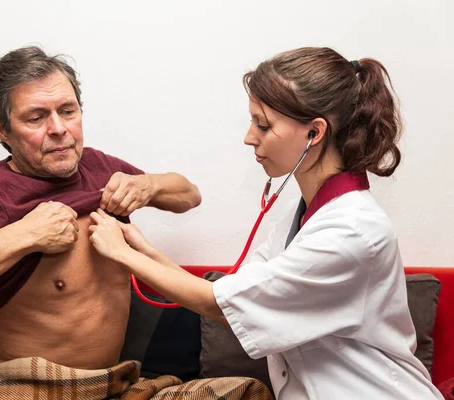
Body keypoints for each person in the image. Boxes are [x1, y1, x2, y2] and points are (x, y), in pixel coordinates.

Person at [88, 47, 444, 399]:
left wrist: (123, 254)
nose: (249, 137)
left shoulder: (353, 232)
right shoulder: (303, 212)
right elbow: (238, 289)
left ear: (314, 133)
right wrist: (142, 247)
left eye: (263, 124)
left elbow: (218, 305)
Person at [0, 46, 203, 374]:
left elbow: (188, 195)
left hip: (108, 382)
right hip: (7, 384)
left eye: (67, 111)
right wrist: (27, 235)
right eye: (36, 117)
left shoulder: (100, 167)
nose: (58, 129)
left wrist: (149, 186)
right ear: (3, 128)